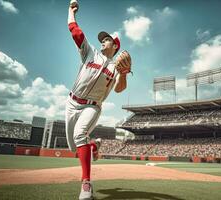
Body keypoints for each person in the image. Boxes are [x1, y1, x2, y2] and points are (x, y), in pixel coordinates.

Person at [66, 1, 131, 200]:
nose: (103, 40)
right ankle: (93, 146)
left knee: (79, 135)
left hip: (92, 107)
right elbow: (76, 32)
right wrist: (71, 13)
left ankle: (86, 184)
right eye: (102, 39)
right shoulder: (90, 53)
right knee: (73, 147)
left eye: (107, 39)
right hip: (71, 103)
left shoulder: (116, 67)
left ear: (115, 45)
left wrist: (125, 73)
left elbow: (120, 89)